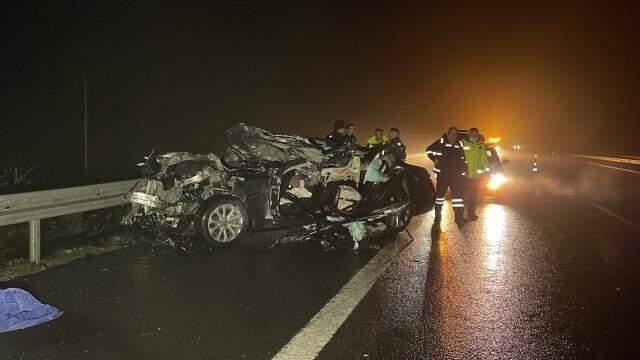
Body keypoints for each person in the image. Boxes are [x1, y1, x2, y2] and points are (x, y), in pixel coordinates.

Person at [426, 127, 467, 226]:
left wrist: (464, 169)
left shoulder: (459, 143)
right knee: (440, 197)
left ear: (457, 135)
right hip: (443, 174)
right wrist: (434, 158)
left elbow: (463, 158)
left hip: (456, 175)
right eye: (451, 134)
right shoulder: (441, 141)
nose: (453, 136)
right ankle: (438, 215)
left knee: (458, 198)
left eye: (455, 134)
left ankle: (458, 217)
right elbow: (428, 150)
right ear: (448, 134)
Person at [461, 128, 490, 221]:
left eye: (476, 134)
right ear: (469, 134)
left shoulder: (480, 146)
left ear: (478, 135)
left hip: (476, 177)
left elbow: (484, 159)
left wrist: (487, 171)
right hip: (465, 175)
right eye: (472, 134)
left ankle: (471, 214)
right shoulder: (462, 143)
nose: (474, 136)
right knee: (461, 196)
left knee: (473, 197)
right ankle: (459, 215)